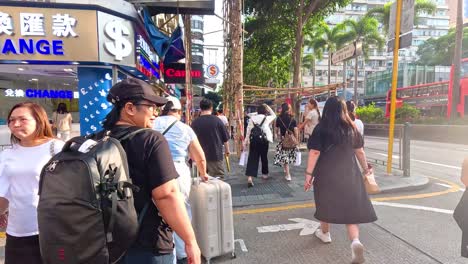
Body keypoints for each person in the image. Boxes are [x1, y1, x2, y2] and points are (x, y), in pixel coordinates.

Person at [102, 78, 201, 264]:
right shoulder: (150, 140)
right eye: (151, 106)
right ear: (130, 108)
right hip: (147, 244)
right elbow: (167, 195)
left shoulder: (98, 140)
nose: (156, 113)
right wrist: (190, 241)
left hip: (105, 245)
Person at [304, 96, 376, 264]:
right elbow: (360, 152)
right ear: (344, 110)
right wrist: (366, 170)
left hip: (326, 174)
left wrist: (309, 175)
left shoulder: (321, 129)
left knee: (325, 202)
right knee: (350, 211)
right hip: (350, 173)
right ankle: (355, 242)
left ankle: (325, 233)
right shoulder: (351, 127)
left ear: (326, 110)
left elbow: (314, 153)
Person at [0, 102, 65, 264]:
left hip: (53, 230)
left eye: (23, 119)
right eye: (12, 120)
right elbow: (5, 190)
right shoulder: (7, 154)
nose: (15, 124)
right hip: (17, 230)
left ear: (39, 120)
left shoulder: (57, 148)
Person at [153, 96, 208, 263]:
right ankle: (183, 253)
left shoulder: (151, 124)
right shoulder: (185, 128)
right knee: (181, 209)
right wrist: (203, 173)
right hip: (178, 170)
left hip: (154, 169)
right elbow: (199, 157)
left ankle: (165, 250)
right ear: (178, 111)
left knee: (158, 211)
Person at [191, 99, 230, 178]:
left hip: (199, 157)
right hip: (215, 155)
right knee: (218, 179)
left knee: (201, 181)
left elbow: (191, 141)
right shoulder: (217, 120)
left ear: (200, 108)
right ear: (211, 108)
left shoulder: (195, 123)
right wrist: (227, 150)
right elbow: (225, 139)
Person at [243, 103, 276, 187]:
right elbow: (274, 115)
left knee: (252, 158)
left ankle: (250, 177)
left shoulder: (252, 119)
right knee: (264, 157)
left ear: (257, 111)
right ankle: (265, 174)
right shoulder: (266, 118)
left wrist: (246, 142)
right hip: (264, 140)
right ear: (266, 111)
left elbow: (248, 131)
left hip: (253, 140)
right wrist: (268, 107)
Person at [274, 103, 299, 181]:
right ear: (289, 109)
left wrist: (278, 135)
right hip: (291, 140)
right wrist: (296, 139)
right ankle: (286, 170)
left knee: (285, 157)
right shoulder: (293, 118)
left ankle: (288, 175)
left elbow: (276, 129)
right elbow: (296, 130)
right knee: (287, 156)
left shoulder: (279, 118)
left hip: (283, 139)